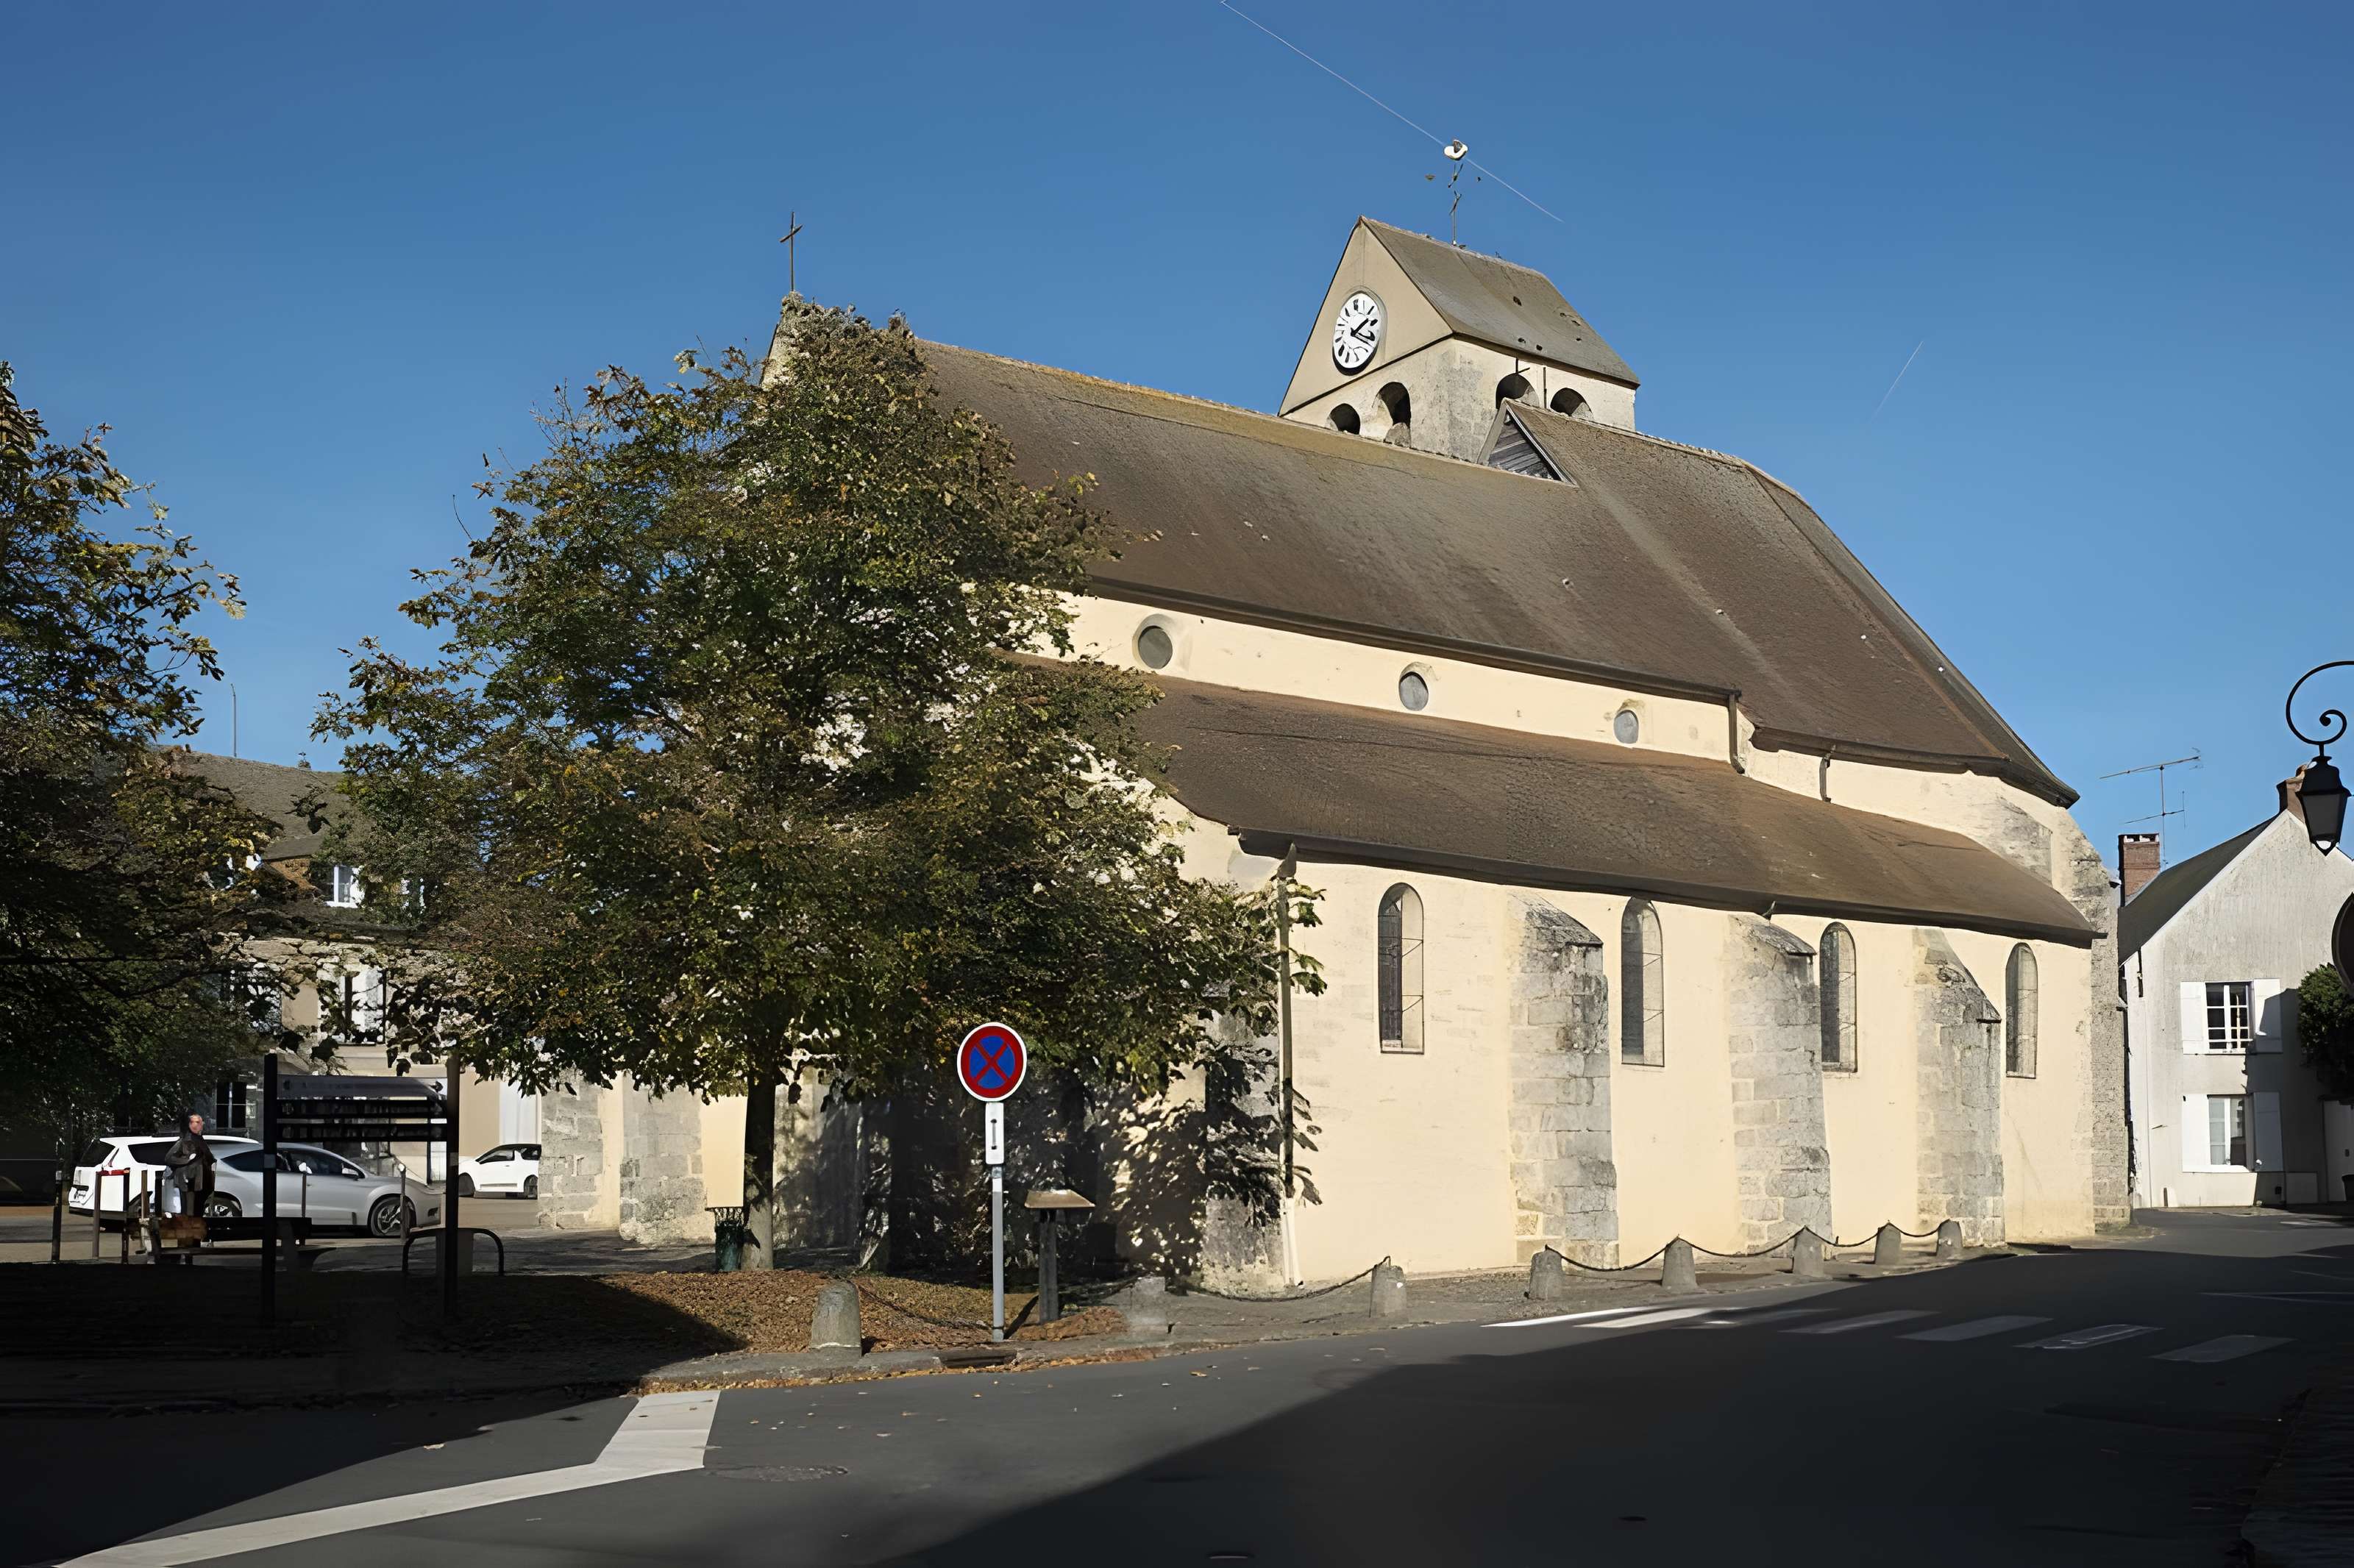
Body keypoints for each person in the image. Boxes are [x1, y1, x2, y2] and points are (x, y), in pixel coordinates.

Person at [163, 1112, 214, 1218]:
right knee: (189, 1212)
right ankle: (189, 1231)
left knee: (197, 1211)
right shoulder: (186, 1140)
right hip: (189, 1181)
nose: (200, 1124)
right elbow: (169, 1158)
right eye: (197, 1122)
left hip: (201, 1182)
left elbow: (208, 1157)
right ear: (190, 1124)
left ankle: (195, 1230)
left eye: (200, 1122)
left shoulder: (200, 1139)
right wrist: (187, 1160)